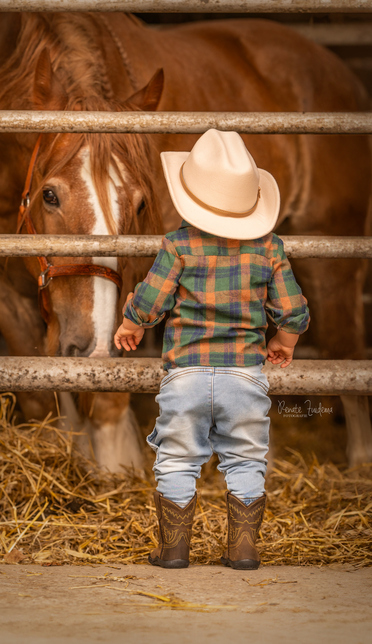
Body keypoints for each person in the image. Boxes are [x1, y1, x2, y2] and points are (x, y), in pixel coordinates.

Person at [114, 129, 310, 570]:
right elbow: (293, 309)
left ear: (190, 198)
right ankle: (242, 549)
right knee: (246, 457)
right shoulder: (270, 248)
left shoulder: (177, 246)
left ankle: (174, 550)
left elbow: (151, 300)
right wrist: (284, 340)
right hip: (244, 376)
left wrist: (132, 322)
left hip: (185, 375)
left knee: (177, 458)